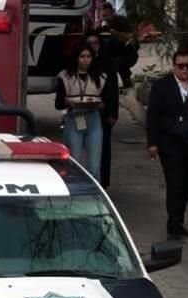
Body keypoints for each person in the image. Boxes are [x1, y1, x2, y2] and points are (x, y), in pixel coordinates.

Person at [146, 49, 188, 242]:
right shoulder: (162, 87)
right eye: (181, 66)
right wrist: (153, 143)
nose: (185, 69)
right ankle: (173, 228)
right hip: (171, 143)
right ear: (174, 66)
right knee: (175, 184)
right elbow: (153, 116)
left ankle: (179, 220)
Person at [55, 45, 109, 182]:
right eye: (82, 56)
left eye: (88, 57)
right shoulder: (65, 76)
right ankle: (73, 190)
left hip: (93, 118)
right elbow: (58, 103)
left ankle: (94, 194)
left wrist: (101, 105)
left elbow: (107, 99)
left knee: (95, 163)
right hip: (74, 117)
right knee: (74, 160)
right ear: (76, 58)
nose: (85, 60)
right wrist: (68, 102)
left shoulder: (101, 77)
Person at [83, 32, 120, 188]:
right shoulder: (80, 62)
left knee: (103, 149)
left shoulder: (108, 63)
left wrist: (112, 112)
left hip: (103, 113)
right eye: (89, 43)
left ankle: (101, 184)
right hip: (82, 112)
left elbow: (113, 90)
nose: (93, 46)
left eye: (95, 43)